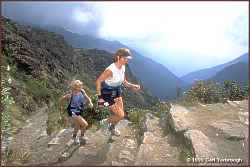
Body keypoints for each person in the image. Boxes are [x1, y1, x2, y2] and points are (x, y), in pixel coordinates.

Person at [96, 48, 141, 136]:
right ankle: (104, 122)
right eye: (125, 58)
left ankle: (112, 128)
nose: (126, 61)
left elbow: (124, 82)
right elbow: (98, 81)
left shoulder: (123, 67)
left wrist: (133, 86)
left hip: (117, 91)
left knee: (121, 114)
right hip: (107, 93)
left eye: (127, 59)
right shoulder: (110, 70)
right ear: (118, 57)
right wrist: (100, 98)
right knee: (120, 115)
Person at [59, 80, 93, 145]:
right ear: (75, 87)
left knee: (77, 125)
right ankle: (82, 137)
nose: (81, 87)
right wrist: (61, 107)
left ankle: (74, 138)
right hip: (72, 111)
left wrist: (90, 102)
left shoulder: (82, 91)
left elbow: (88, 98)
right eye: (79, 86)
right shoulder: (71, 95)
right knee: (85, 124)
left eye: (81, 85)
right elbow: (62, 99)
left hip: (79, 110)